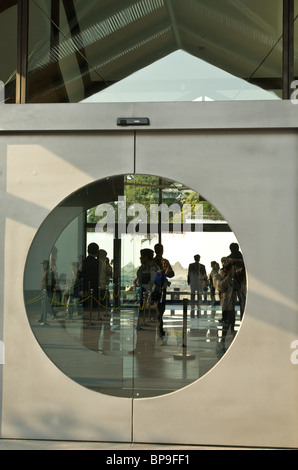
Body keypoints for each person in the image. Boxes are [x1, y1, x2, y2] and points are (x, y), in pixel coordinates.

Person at [80, 242, 99, 313]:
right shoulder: (97, 262)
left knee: (85, 307)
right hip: (94, 286)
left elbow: (83, 275)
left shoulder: (84, 261)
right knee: (94, 306)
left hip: (85, 286)